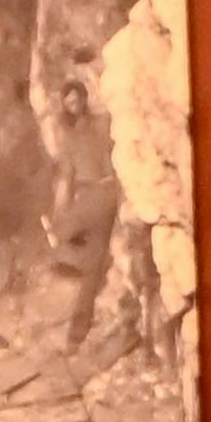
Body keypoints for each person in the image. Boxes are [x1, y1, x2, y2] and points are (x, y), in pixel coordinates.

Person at [50, 83, 127, 351]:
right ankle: (76, 336)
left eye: (75, 101)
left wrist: (58, 220)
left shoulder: (81, 132)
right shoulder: (100, 124)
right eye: (69, 102)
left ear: (83, 100)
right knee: (92, 272)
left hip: (96, 195)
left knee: (61, 235)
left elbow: (64, 181)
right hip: (104, 196)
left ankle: (66, 254)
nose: (73, 106)